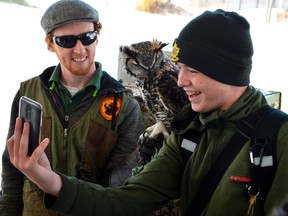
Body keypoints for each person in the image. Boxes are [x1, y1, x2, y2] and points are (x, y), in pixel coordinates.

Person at [5, 8, 288, 216]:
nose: (180, 81)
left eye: (193, 70)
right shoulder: (189, 133)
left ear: (226, 73)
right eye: (180, 68)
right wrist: (52, 182)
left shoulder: (279, 138)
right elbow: (129, 201)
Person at [0, 0, 143, 215]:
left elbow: (120, 187)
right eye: (66, 40)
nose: (80, 49)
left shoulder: (124, 105)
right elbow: (12, 166)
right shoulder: (28, 93)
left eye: (87, 37)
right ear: (50, 43)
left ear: (97, 37)